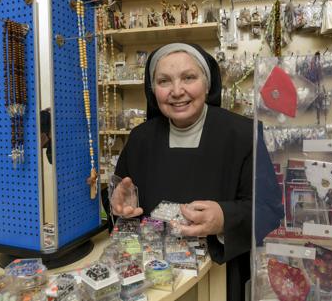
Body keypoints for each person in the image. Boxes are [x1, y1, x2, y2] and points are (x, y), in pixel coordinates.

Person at [109, 43, 283, 301]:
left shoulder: (243, 134)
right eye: (164, 81)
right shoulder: (139, 139)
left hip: (218, 278)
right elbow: (119, 198)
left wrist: (224, 218)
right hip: (151, 282)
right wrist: (117, 204)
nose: (177, 91)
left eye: (189, 78)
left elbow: (269, 210)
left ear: (207, 83)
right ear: (152, 90)